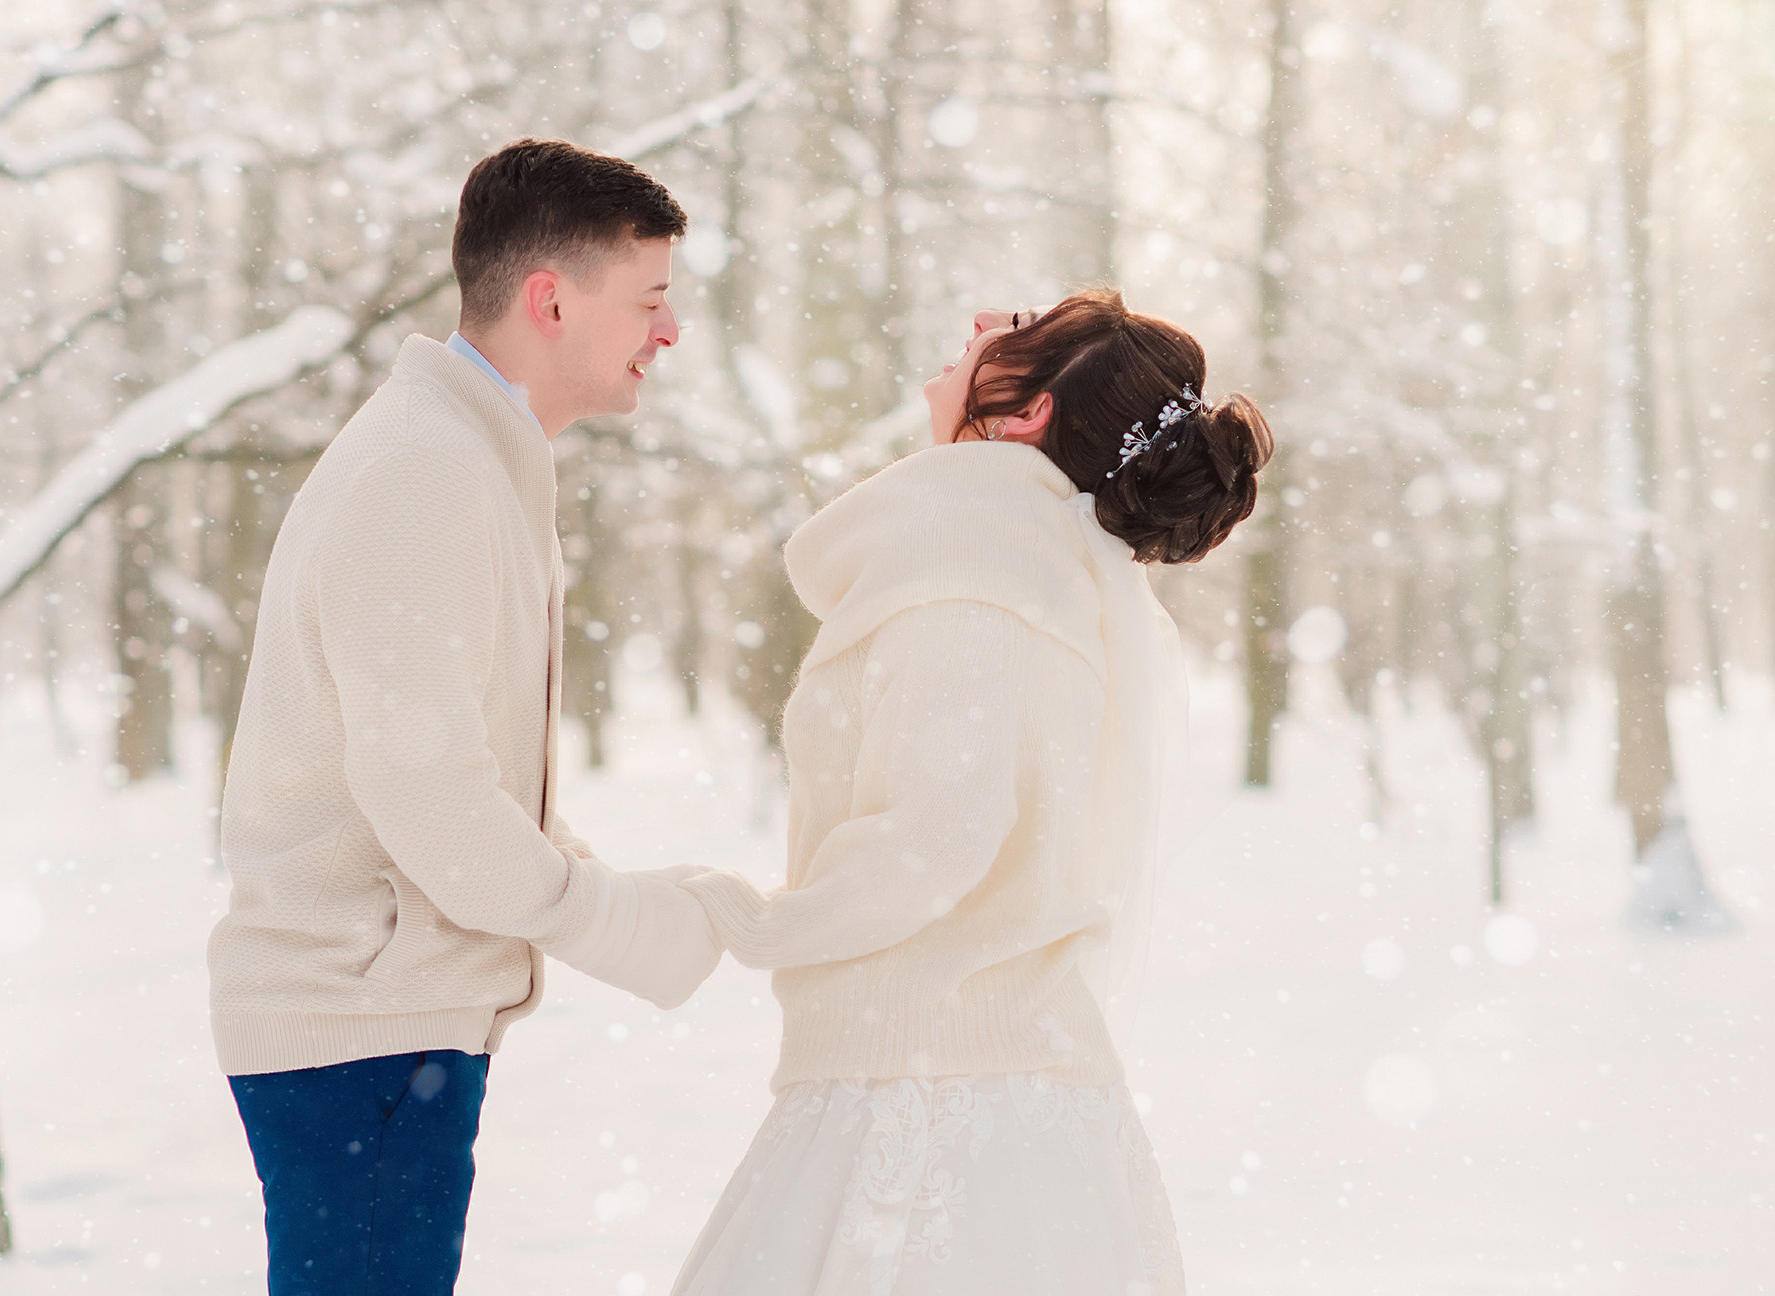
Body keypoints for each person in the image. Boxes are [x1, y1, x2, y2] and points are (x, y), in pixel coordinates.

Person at [673, 290, 1275, 1295]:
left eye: (1012, 333)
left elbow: (936, 838)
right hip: (995, 1092)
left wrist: (747, 922)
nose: (981, 323)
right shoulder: (1031, 565)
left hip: (927, 1102)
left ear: (1027, 412)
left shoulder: (970, 565)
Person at [206, 138, 723, 1296]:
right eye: (650, 300)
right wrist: (620, 928)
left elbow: (464, 774)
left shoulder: (468, 459)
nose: (669, 332)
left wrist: (626, 899)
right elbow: (431, 802)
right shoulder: (428, 470)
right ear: (550, 298)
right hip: (359, 1024)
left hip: (382, 1026)